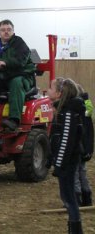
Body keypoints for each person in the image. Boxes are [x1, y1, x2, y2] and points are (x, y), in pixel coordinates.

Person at [48, 77, 85, 233]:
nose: (48, 90)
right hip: (64, 161)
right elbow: (55, 138)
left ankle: (76, 229)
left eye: (51, 88)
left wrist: (59, 164)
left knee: (69, 198)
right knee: (66, 196)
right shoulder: (62, 111)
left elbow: (67, 141)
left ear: (59, 93)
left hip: (68, 162)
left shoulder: (68, 112)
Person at [0, 19, 36, 131]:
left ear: (13, 31)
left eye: (9, 29)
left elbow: (21, 61)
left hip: (22, 75)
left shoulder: (19, 43)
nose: (6, 32)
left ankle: (14, 119)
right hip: (3, 76)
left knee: (16, 82)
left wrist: (5, 62)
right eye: (3, 30)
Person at [74, 84, 94, 207]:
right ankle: (87, 197)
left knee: (75, 173)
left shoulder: (78, 111)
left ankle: (76, 198)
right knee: (82, 172)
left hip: (79, 147)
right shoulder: (87, 110)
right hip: (86, 147)